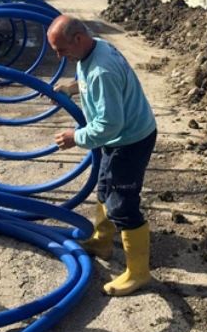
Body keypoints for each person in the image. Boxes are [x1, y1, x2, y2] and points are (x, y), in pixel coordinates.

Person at [47, 15, 157, 297]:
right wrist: (73, 87)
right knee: (105, 187)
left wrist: (77, 137)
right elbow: (88, 77)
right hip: (119, 138)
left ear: (78, 39)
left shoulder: (102, 71)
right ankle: (102, 242)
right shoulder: (95, 48)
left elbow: (110, 125)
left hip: (130, 141)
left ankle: (139, 272)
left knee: (122, 204)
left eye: (61, 49)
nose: (59, 56)